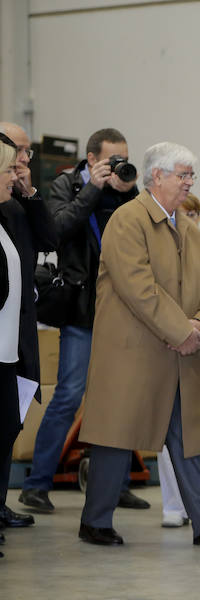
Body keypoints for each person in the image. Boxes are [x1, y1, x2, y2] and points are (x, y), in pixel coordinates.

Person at [77, 142, 200, 547]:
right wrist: (184, 332)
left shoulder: (188, 229)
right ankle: (96, 521)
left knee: (190, 438)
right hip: (134, 355)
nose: (189, 182)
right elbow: (138, 288)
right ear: (157, 176)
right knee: (116, 438)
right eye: (182, 175)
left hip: (180, 355)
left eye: (191, 175)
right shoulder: (127, 221)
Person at [19, 128, 148, 514]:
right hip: (82, 309)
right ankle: (37, 484)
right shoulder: (66, 185)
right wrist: (92, 189)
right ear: (92, 160)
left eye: (122, 158)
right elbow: (55, 231)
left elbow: (141, 234)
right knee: (70, 395)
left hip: (123, 309)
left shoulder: (124, 189)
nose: (117, 166)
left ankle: (116, 482)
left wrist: (129, 191)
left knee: (121, 399)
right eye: (110, 160)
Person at [156, 193, 200, 528]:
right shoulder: (153, 251)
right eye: (182, 212)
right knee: (166, 428)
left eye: (194, 213)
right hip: (164, 352)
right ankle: (173, 504)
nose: (189, 218)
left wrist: (198, 331)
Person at [0, 123, 57, 531]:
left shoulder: (18, 203)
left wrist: (30, 193)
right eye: (15, 152)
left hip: (17, 334)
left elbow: (49, 238)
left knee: (8, 424)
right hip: (5, 333)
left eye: (25, 152)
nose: (22, 160)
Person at [0, 140, 23, 557]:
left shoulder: (6, 216)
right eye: (8, 170)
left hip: (6, 353)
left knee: (5, 433)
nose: (14, 177)